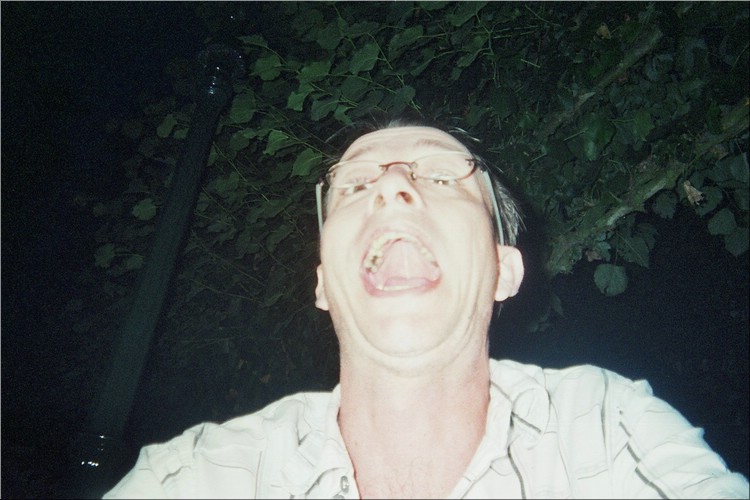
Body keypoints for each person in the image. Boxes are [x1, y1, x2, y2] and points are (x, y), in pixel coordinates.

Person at [104, 119, 749, 499]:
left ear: (504, 270)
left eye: (441, 176)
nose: (391, 184)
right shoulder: (197, 476)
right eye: (356, 184)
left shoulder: (610, 428)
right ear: (323, 283)